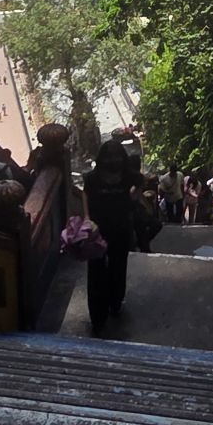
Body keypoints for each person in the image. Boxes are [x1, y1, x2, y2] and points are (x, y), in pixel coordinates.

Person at [82, 140, 135, 334]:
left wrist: (134, 196)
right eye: (109, 156)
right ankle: (97, 316)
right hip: (97, 231)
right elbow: (85, 196)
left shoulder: (128, 177)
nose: (113, 160)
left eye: (117, 156)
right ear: (102, 159)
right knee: (95, 273)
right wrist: (87, 218)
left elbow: (141, 183)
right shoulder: (92, 178)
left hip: (121, 229)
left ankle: (115, 302)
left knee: (118, 267)